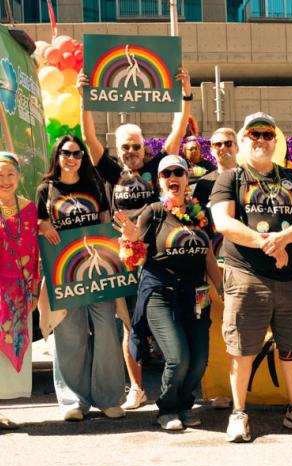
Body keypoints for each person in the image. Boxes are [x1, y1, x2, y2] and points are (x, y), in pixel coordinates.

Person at [77, 66, 192, 410]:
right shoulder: (111, 170)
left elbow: (178, 129)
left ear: (145, 148)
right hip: (125, 258)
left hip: (159, 259)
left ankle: (179, 386)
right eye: (126, 146)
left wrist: (185, 93)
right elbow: (88, 137)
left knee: (168, 322)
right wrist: (84, 97)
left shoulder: (158, 167)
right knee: (131, 325)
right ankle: (137, 389)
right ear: (118, 148)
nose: (131, 151)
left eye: (136, 146)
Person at [210, 112, 292, 442]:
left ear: (276, 141)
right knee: (243, 348)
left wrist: (283, 240)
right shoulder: (230, 177)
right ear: (243, 141)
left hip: (290, 277)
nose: (261, 140)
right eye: (253, 134)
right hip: (247, 274)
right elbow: (223, 223)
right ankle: (239, 412)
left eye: (267, 134)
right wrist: (269, 243)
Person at [114, 155, 222, 431]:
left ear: (187, 178)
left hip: (196, 295)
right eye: (166, 174)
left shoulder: (201, 213)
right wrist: (131, 238)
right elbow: (134, 258)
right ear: (160, 181)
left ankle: (184, 405)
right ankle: (167, 408)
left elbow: (208, 253)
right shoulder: (154, 211)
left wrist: (222, 287)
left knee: (199, 361)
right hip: (161, 293)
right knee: (177, 356)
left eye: (178, 172)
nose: (172, 177)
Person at [36, 135, 125, 421]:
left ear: (82, 157)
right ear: (57, 155)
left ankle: (109, 398)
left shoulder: (95, 185)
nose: (71, 158)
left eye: (77, 153)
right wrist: (42, 224)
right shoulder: (45, 189)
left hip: (97, 270)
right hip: (63, 271)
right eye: (66, 153)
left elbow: (104, 221)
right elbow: (37, 222)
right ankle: (73, 400)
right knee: (70, 334)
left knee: (107, 332)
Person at [0, 152, 39, 429]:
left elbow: (33, 251)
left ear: (19, 177)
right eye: (0, 175)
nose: (5, 180)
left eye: (10, 174)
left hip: (18, 292)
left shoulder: (28, 209)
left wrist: (34, 290)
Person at [193, 128, 238, 207]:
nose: (223, 147)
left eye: (228, 143)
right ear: (212, 151)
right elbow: (198, 213)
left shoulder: (248, 178)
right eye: (218, 145)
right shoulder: (204, 183)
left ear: (237, 148)